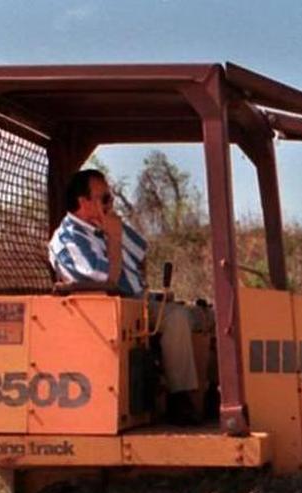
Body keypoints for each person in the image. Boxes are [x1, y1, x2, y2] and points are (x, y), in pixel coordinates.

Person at [48, 169, 203, 426]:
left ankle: (207, 395)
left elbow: (141, 252)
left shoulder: (104, 225)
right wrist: (115, 239)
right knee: (176, 318)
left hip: (136, 302)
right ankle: (180, 399)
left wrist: (141, 282)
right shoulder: (68, 241)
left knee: (202, 315)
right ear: (83, 202)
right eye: (105, 198)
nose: (111, 204)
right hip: (108, 312)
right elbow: (105, 281)